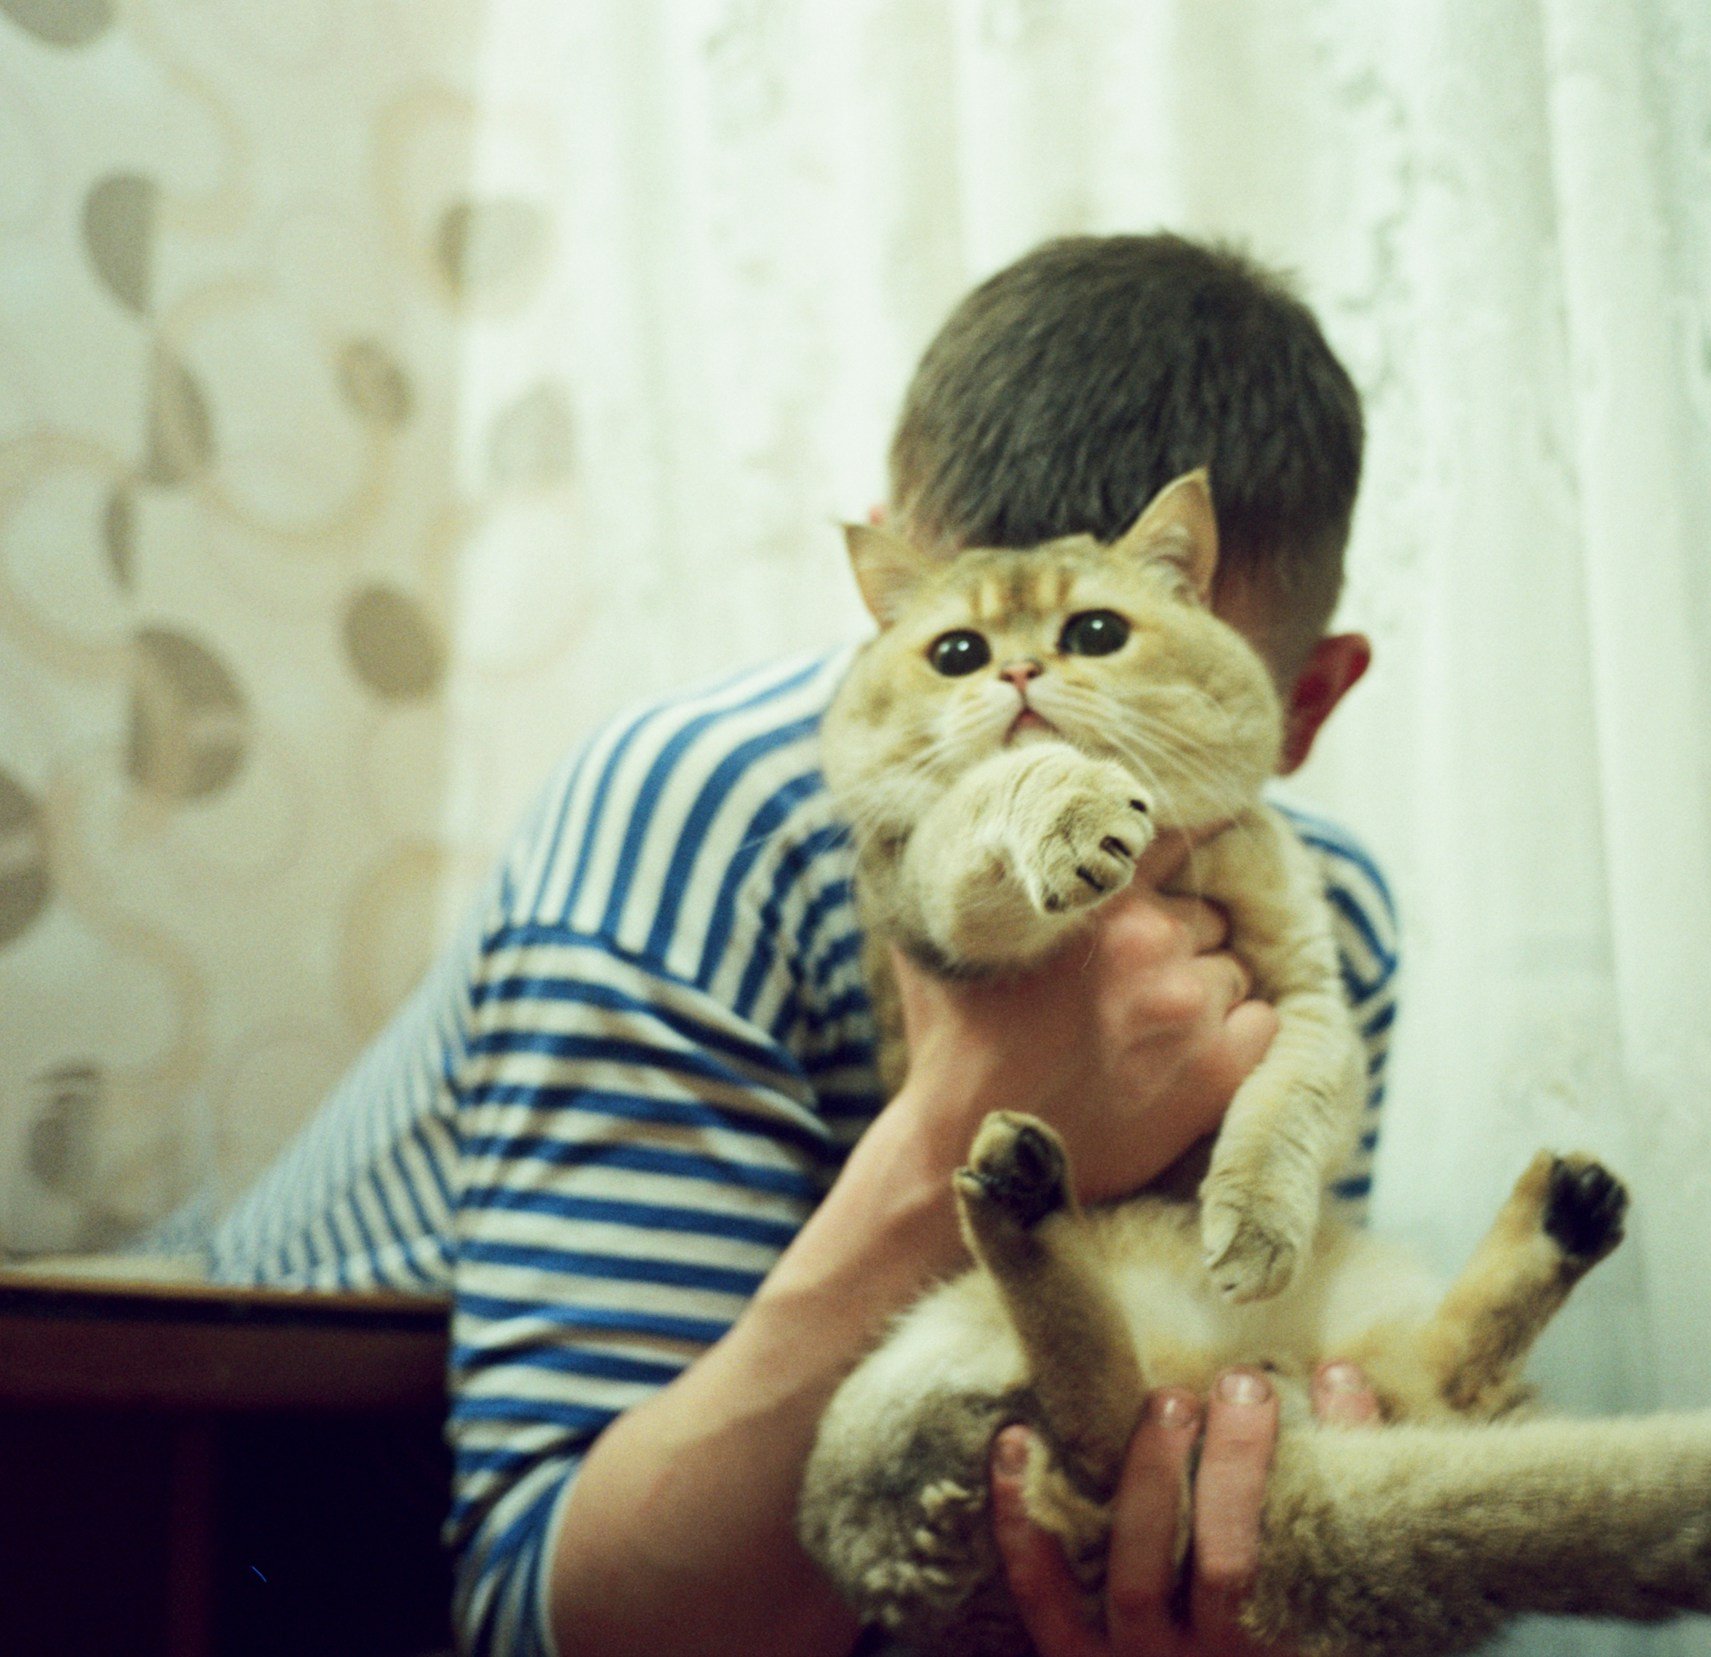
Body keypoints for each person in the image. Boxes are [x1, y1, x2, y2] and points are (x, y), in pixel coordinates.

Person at [207, 233, 1400, 1657]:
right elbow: (540, 1614)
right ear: (887, 606)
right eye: (970, 658)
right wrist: (974, 1121)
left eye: (1152, 689)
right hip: (201, 1464)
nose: (1055, 766)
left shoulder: (1331, 919)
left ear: (1305, 706)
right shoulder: (701, 812)